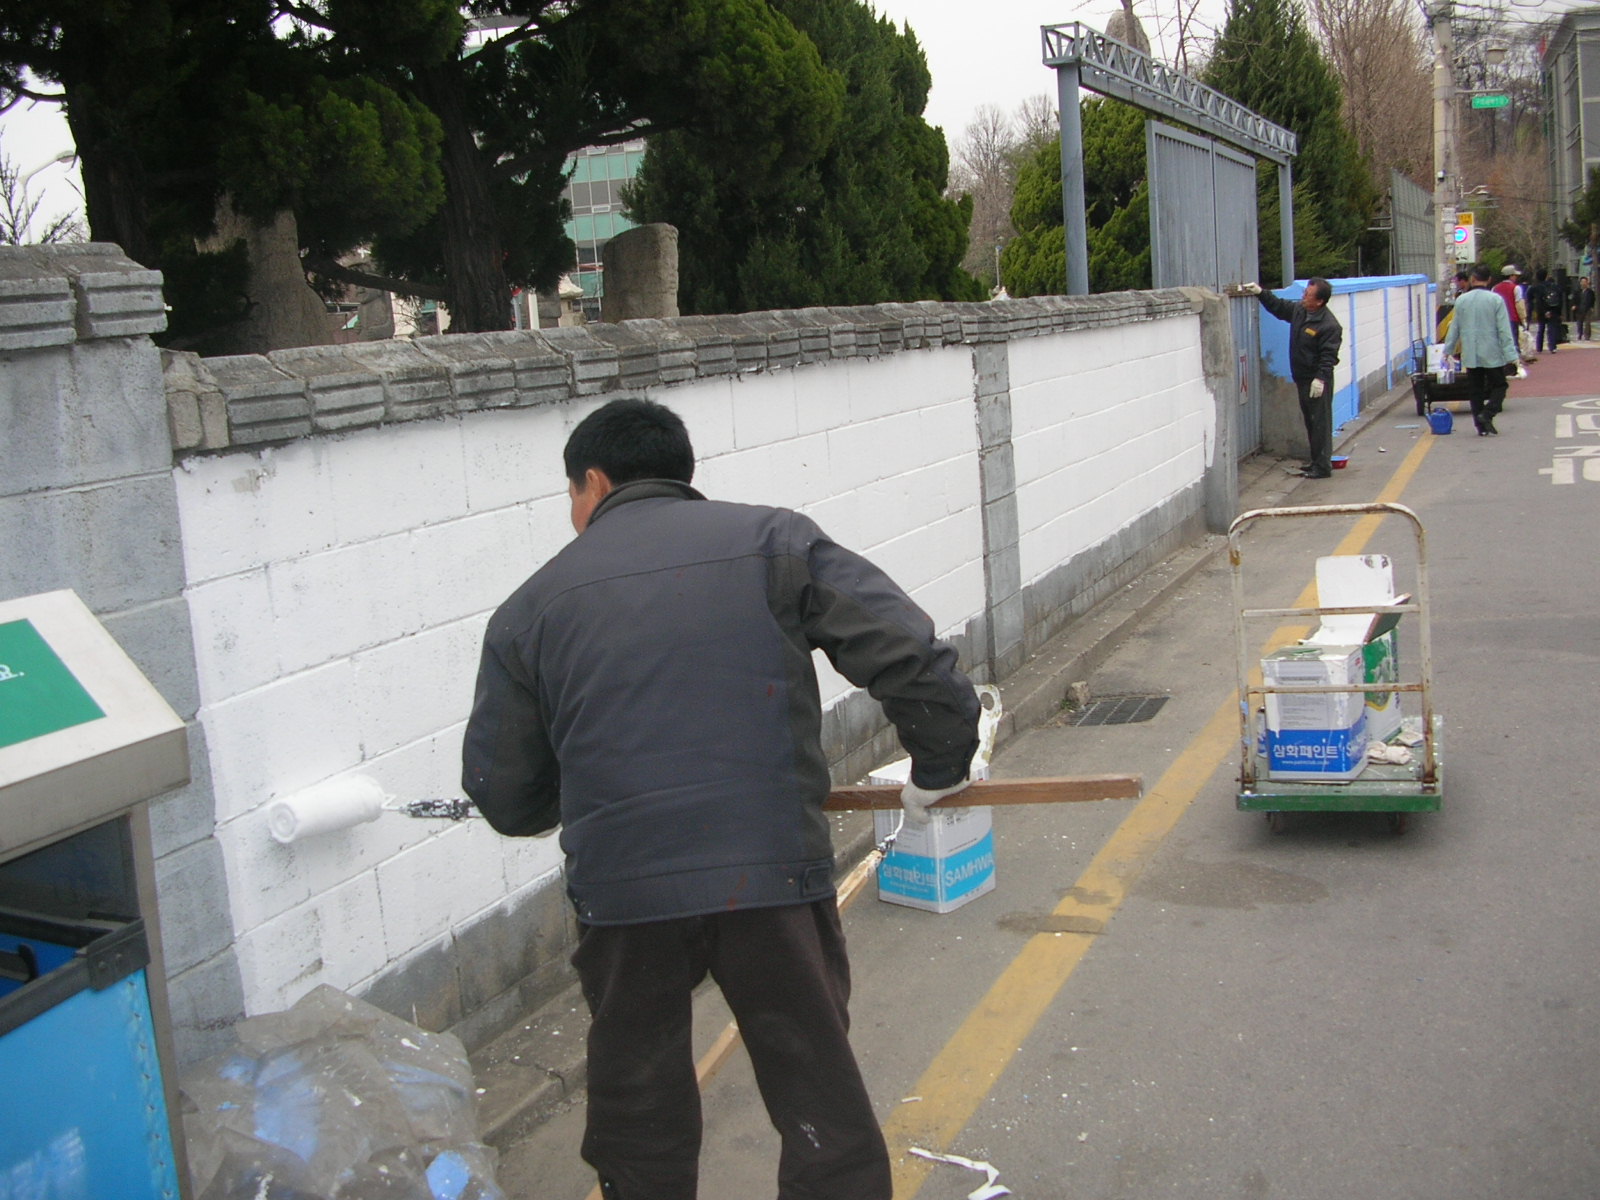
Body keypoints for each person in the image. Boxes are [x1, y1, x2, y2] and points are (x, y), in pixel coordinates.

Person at [462, 397, 981, 1200]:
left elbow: (504, 794)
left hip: (624, 893)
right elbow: (907, 650)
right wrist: (940, 765)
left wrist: (586, 792)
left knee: (640, 1119)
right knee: (818, 1101)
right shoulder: (775, 541)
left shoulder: (529, 610)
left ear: (592, 483)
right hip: (770, 873)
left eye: (571, 496)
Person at [1242, 277, 1343, 478]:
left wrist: (1320, 379)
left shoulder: (1329, 325)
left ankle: (1322, 467)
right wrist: (1261, 292)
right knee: (1310, 421)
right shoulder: (1300, 312)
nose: (1303, 296)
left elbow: (1328, 356)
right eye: (1305, 292)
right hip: (1302, 377)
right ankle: (1315, 462)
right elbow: (1279, 307)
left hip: (1316, 381)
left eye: (1308, 295)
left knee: (1320, 423)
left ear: (1320, 301)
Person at [1442, 264, 1517, 436]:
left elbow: (1455, 328)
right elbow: (1504, 330)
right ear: (1489, 280)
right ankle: (1488, 413)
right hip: (1492, 352)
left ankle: (1480, 425)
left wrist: (1448, 349)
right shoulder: (1495, 300)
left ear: (1472, 279)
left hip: (1471, 352)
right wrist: (1511, 355)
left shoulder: (1462, 300)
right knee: (1500, 385)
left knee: (1475, 389)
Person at [1493, 265, 1526, 360]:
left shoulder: (1495, 288)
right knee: (1513, 340)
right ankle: (1515, 359)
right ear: (1510, 276)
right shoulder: (1516, 288)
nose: (1516, 277)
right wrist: (1523, 318)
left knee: (1501, 339)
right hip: (1512, 317)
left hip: (1498, 318)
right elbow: (1519, 305)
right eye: (1515, 275)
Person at [1531, 267, 1561, 354]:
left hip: (1541, 310)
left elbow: (1530, 298)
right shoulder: (1554, 285)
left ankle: (1539, 347)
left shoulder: (1535, 287)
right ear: (1546, 276)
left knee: (1541, 328)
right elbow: (1559, 296)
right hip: (1553, 309)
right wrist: (1559, 312)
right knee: (1552, 328)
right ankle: (1552, 347)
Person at [1575, 275, 1594, 341]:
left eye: (1585, 281)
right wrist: (1574, 305)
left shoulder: (1590, 292)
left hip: (1587, 309)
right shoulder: (1577, 292)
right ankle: (1579, 334)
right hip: (1579, 309)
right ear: (1580, 283)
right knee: (1579, 323)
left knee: (1587, 323)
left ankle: (1587, 336)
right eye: (1582, 282)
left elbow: (1593, 299)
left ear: (1587, 283)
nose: (1583, 283)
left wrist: (1592, 307)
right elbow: (1574, 300)